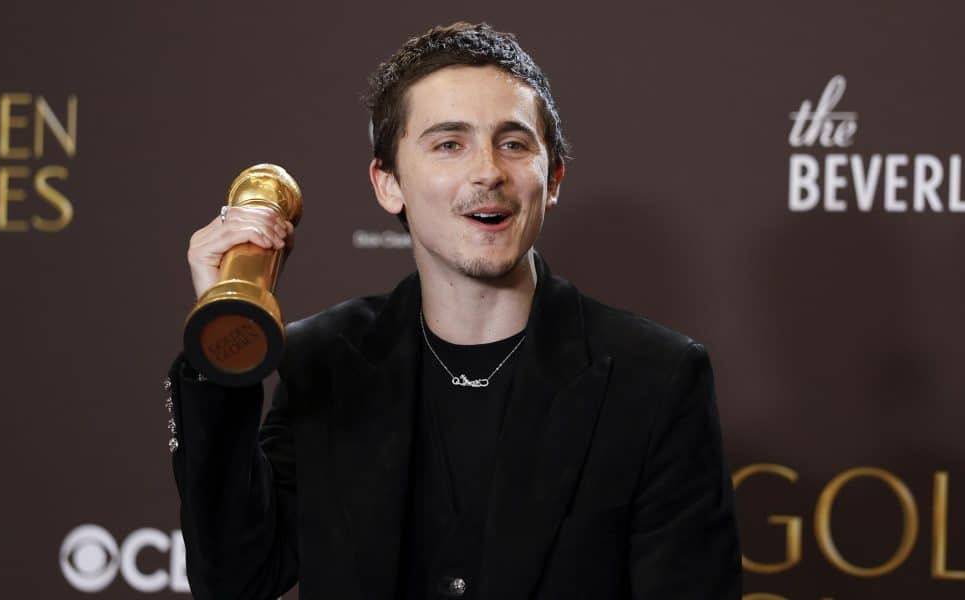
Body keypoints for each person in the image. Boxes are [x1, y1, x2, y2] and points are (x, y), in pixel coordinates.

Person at [166, 21, 742, 599]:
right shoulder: (324, 360)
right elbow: (237, 580)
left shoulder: (656, 379)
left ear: (554, 177)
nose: (488, 170)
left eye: (514, 143)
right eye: (449, 144)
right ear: (388, 183)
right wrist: (222, 345)